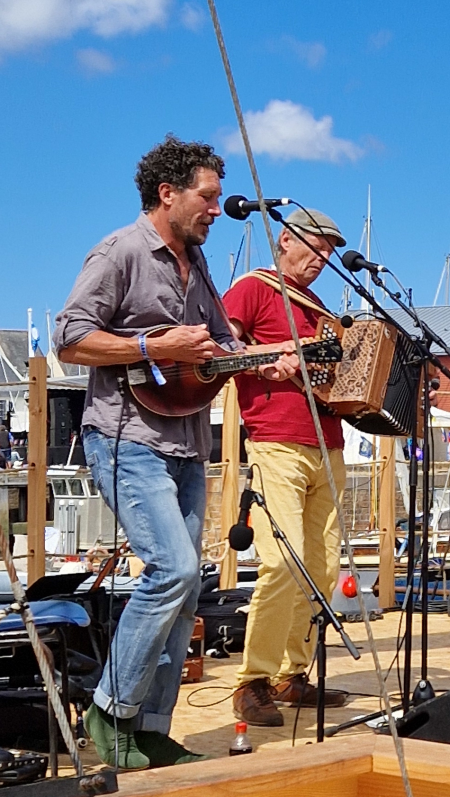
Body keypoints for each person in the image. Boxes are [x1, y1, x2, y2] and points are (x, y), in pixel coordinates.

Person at [54, 135, 298, 769]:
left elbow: (218, 346)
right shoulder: (122, 251)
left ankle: (150, 728)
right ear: (168, 194)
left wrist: (265, 365)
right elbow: (71, 340)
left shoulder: (200, 266)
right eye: (208, 197)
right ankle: (110, 713)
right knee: (175, 572)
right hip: (125, 437)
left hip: (186, 442)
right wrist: (153, 349)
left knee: (186, 594)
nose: (218, 210)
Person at [223, 208, 350, 727]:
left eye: (328, 253)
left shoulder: (321, 307)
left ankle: (291, 675)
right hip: (276, 439)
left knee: (322, 567)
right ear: (285, 242)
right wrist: (269, 357)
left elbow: (332, 373)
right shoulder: (252, 288)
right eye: (315, 248)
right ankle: (251, 680)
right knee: (282, 560)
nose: (322, 260)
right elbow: (222, 345)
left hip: (330, 441)